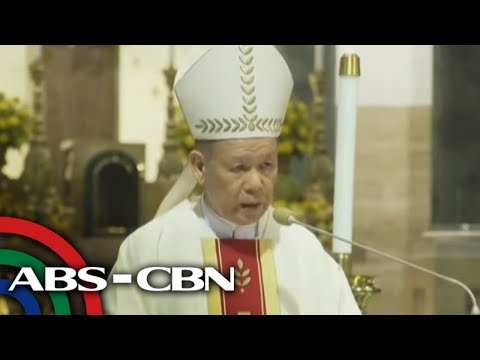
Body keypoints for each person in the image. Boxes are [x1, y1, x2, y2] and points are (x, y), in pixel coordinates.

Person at [101, 45, 361, 315]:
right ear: (200, 167)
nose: (256, 183)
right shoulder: (151, 250)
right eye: (239, 168)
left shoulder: (304, 251)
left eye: (267, 165)